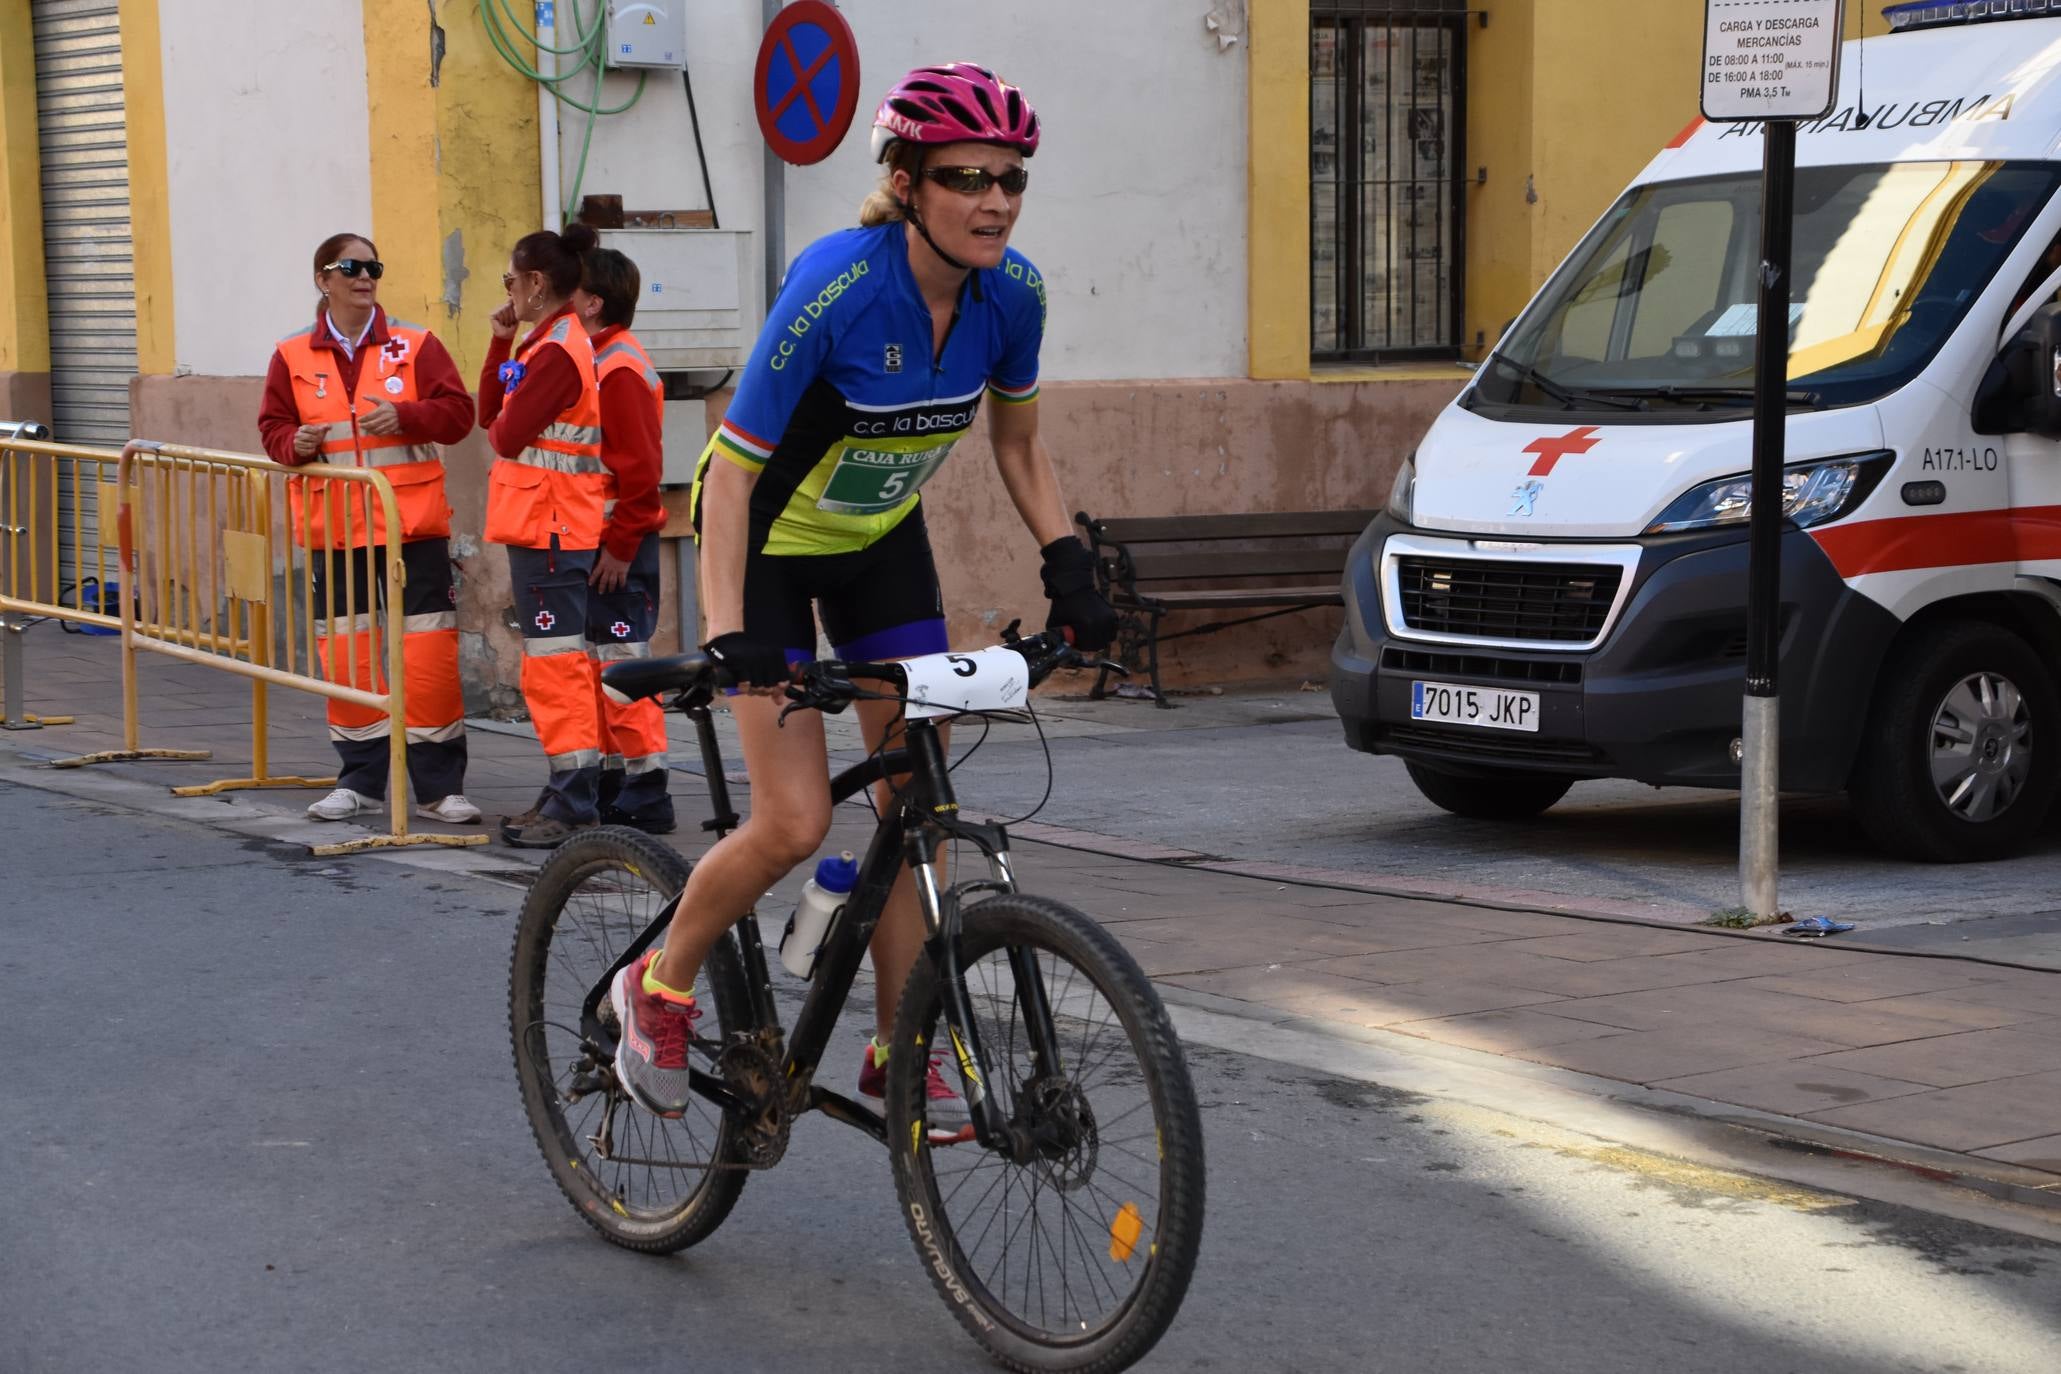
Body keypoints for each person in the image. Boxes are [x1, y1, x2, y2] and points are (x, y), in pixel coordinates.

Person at [608, 64, 1117, 1137]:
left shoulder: (1011, 293)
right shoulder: (839, 284)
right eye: (966, 177)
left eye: (1011, 179)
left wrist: (1070, 565)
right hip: (770, 554)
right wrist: (731, 633)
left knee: (913, 812)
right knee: (794, 821)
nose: (994, 201)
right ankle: (657, 987)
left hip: (878, 546)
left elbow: (1018, 444)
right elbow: (735, 469)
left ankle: (903, 1049)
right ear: (906, 180)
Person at [257, 232, 480, 825]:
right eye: (350, 267)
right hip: (336, 529)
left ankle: (439, 788)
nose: (365, 277)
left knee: (428, 652)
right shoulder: (292, 354)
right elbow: (273, 427)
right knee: (348, 654)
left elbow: (459, 415)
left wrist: (408, 416)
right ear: (323, 279)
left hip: (414, 528)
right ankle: (360, 781)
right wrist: (292, 443)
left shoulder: (415, 344)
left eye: (372, 267)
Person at [477, 222, 611, 848]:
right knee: (556, 666)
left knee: (557, 668)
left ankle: (574, 799)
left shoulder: (557, 351)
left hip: (553, 525)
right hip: (545, 523)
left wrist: (512, 369)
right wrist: (501, 339)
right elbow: (490, 416)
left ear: (535, 282)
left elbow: (503, 435)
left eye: (511, 280)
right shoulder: (541, 344)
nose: (507, 291)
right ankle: (566, 790)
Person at [570, 246, 674, 833]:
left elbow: (639, 474)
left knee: (622, 663)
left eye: (570, 288)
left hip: (617, 548)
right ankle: (617, 778)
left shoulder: (619, 368)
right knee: (599, 664)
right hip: (603, 542)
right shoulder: (599, 358)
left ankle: (647, 786)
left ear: (593, 302)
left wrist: (619, 546)